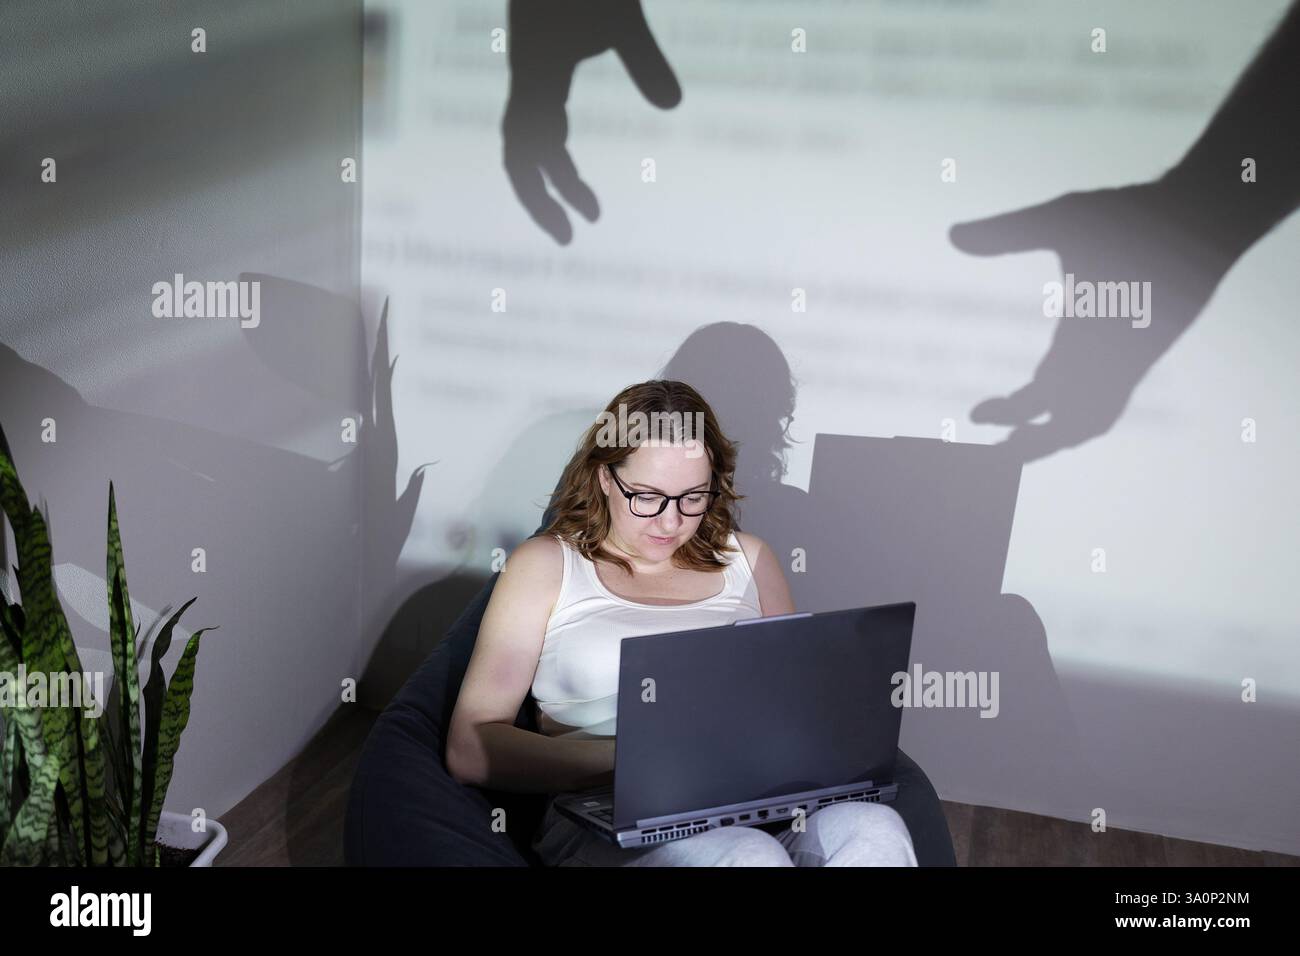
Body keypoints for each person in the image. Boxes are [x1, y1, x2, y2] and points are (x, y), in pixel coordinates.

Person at [446, 380, 918, 866]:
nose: (670, 523)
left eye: (693, 497)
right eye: (647, 497)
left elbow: (791, 709)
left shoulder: (749, 560)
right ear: (606, 477)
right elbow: (468, 747)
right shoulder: (546, 565)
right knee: (747, 856)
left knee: (873, 828)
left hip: (748, 801)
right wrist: (639, 766)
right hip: (610, 817)